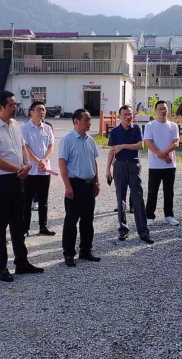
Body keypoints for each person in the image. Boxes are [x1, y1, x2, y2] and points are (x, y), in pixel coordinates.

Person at [0, 90, 44, 282]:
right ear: (0, 107)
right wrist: (19, 168)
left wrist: (27, 164)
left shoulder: (15, 125)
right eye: (11, 105)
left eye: (15, 104)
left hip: (17, 179)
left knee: (19, 223)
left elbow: (23, 147)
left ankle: (21, 262)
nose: (15, 108)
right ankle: (0, 267)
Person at [59, 109, 101, 267]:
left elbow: (93, 161)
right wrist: (67, 186)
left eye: (89, 120)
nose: (89, 123)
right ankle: (69, 254)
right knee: (71, 221)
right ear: (76, 121)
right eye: (86, 120)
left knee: (88, 220)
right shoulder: (67, 140)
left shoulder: (90, 140)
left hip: (89, 185)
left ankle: (86, 250)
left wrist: (96, 182)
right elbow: (62, 163)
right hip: (75, 184)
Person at [106, 105, 154, 244]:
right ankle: (123, 230)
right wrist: (107, 169)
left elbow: (140, 145)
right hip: (120, 165)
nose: (128, 117)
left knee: (138, 197)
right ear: (119, 116)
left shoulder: (137, 128)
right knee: (120, 198)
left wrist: (123, 146)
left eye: (130, 114)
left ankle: (143, 231)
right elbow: (111, 151)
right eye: (125, 114)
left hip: (134, 164)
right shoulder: (115, 131)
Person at [21, 101, 56, 236]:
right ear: (32, 112)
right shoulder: (25, 128)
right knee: (27, 200)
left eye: (43, 110)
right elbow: (25, 147)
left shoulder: (47, 128)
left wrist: (45, 160)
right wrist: (37, 161)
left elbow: (51, 146)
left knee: (43, 200)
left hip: (44, 170)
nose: (42, 112)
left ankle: (43, 226)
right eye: (39, 109)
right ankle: (25, 228)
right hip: (30, 170)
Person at [143, 101, 180, 226]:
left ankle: (169, 215)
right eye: (160, 109)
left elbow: (176, 143)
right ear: (155, 111)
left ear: (168, 110)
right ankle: (149, 216)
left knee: (169, 191)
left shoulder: (173, 125)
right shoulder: (150, 125)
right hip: (155, 164)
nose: (162, 111)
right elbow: (148, 143)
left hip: (170, 164)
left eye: (164, 108)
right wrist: (163, 155)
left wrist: (165, 153)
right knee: (152, 191)